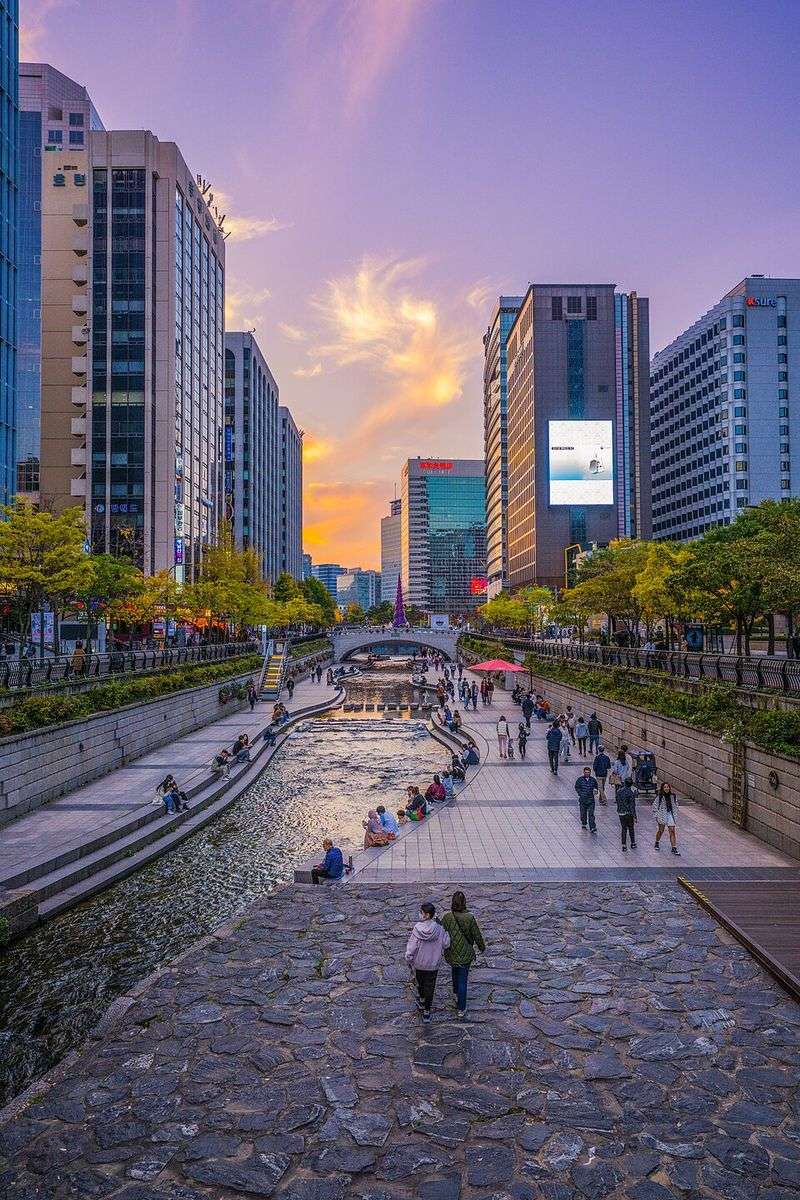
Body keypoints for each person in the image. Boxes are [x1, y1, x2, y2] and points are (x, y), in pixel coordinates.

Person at [441, 891, 486, 1018]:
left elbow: (441, 932)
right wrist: (482, 947)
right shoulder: (469, 918)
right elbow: (476, 935)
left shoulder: (447, 917)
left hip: (451, 952)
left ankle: (456, 993)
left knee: (454, 971)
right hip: (465, 954)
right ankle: (461, 1008)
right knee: (463, 979)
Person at [405, 901, 450, 1024]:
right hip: (433, 964)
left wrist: (409, 958)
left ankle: (422, 999)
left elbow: (412, 947)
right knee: (430, 986)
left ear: (427, 915)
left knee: (420, 983)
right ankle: (427, 1011)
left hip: (419, 963)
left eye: (421, 912)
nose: (419, 914)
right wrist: (446, 932)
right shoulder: (439, 928)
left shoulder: (417, 929)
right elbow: (446, 944)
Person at [653, 781, 680, 855]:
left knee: (672, 831)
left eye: (667, 787)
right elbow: (655, 806)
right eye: (665, 787)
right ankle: (657, 842)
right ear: (662, 788)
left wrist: (675, 810)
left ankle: (674, 847)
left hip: (670, 814)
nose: (666, 788)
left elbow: (676, 804)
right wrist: (657, 815)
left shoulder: (673, 796)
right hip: (662, 814)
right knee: (661, 830)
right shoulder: (660, 797)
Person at [574, 767, 599, 834]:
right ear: (584, 772)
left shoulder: (593, 780)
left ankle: (592, 827)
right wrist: (580, 793)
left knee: (591, 814)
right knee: (583, 813)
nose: (587, 774)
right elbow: (577, 787)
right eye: (586, 772)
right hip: (583, 800)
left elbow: (596, 787)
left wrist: (595, 790)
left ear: (590, 773)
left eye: (588, 772)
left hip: (591, 800)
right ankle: (584, 822)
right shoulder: (580, 780)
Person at [616, 779, 638, 850]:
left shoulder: (619, 791)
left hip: (621, 812)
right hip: (629, 813)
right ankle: (633, 843)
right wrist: (635, 816)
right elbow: (632, 806)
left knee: (624, 828)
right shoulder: (631, 793)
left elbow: (617, 801)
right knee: (631, 828)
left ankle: (624, 845)